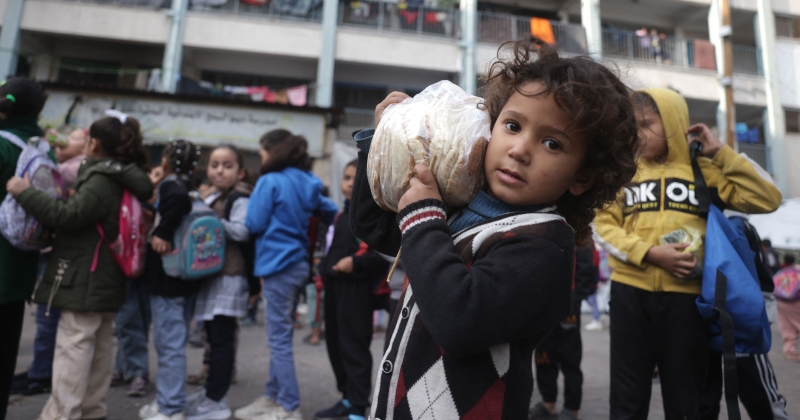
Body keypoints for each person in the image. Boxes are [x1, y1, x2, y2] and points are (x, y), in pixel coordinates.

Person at [349, 37, 639, 420]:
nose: (520, 149)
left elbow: (459, 320)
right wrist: (383, 144)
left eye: (552, 143)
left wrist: (424, 217)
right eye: (513, 125)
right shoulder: (461, 205)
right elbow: (376, 227)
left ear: (582, 177)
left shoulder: (544, 244)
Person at [594, 88, 782, 420]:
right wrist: (650, 253)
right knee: (626, 397)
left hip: (688, 300)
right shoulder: (624, 173)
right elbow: (602, 225)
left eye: (647, 124)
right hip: (629, 295)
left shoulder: (706, 170)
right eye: (631, 125)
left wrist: (721, 152)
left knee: (688, 400)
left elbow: (767, 198)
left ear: (674, 121)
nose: (637, 134)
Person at [6, 112, 152, 420]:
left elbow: (68, 216)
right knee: (97, 348)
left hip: (87, 273)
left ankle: (61, 414)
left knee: (73, 346)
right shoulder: (121, 174)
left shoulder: (101, 179)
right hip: (107, 272)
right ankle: (90, 411)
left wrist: (24, 192)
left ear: (94, 143)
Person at [235, 130, 337, 420]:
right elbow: (332, 210)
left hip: (276, 265)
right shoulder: (310, 181)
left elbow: (253, 222)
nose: (262, 156)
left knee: (278, 339)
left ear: (274, 151)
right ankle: (272, 396)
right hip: (298, 265)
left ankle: (289, 405)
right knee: (281, 336)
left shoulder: (269, 181)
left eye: (263, 151)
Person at [10, 127, 89, 397]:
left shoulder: (76, 168)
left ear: (90, 146)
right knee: (46, 316)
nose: (66, 138)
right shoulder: (67, 165)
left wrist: (47, 144)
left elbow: (51, 180)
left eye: (76, 137)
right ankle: (39, 369)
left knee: (47, 317)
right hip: (53, 251)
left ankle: (42, 373)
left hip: (59, 253)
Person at [314, 160, 390, 420]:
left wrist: (353, 263)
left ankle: (358, 408)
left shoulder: (373, 218)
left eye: (354, 179)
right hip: (335, 289)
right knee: (335, 346)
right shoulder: (341, 214)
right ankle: (346, 398)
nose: (349, 183)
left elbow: (384, 257)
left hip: (357, 292)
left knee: (354, 347)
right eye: (346, 178)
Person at [186, 144, 253, 420]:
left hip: (228, 278)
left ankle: (217, 400)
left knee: (222, 339)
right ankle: (212, 393)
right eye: (214, 165)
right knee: (213, 339)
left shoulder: (239, 198)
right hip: (211, 278)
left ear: (240, 171)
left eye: (227, 165)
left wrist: (210, 219)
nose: (219, 170)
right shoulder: (211, 195)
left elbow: (242, 231)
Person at [139, 139, 202, 420]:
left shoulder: (170, 186)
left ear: (164, 162)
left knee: (169, 344)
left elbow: (175, 203)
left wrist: (161, 232)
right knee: (175, 341)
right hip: (187, 275)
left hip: (167, 278)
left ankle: (171, 407)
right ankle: (169, 401)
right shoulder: (193, 187)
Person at [530, 245, 598, 420]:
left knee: (570, 358)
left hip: (569, 307)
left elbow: (587, 270)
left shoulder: (579, 233)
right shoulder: (541, 227)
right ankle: (548, 403)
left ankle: (572, 408)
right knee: (543, 355)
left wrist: (574, 301)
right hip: (542, 305)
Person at [111, 165, 162, 398]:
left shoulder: (159, 206)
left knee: (135, 322)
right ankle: (130, 369)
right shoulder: (131, 203)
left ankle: (134, 369)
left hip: (148, 271)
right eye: (151, 175)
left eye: (159, 176)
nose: (153, 180)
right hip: (128, 268)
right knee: (128, 321)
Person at [775, 257, 800, 362]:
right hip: (796, 302)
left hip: (780, 300)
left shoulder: (787, 271)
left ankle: (789, 350)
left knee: (787, 326)